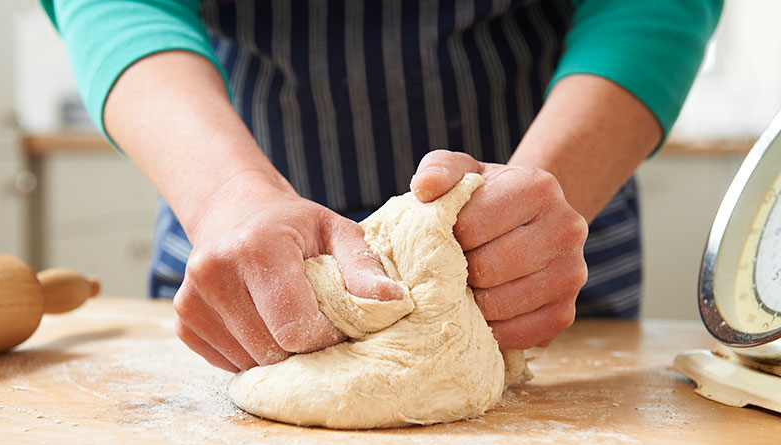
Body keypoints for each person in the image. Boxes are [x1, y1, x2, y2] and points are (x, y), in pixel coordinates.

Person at [41, 0, 721, 372]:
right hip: (236, 236)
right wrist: (226, 196)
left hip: (538, 242)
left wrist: (549, 187)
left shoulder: (538, 228)